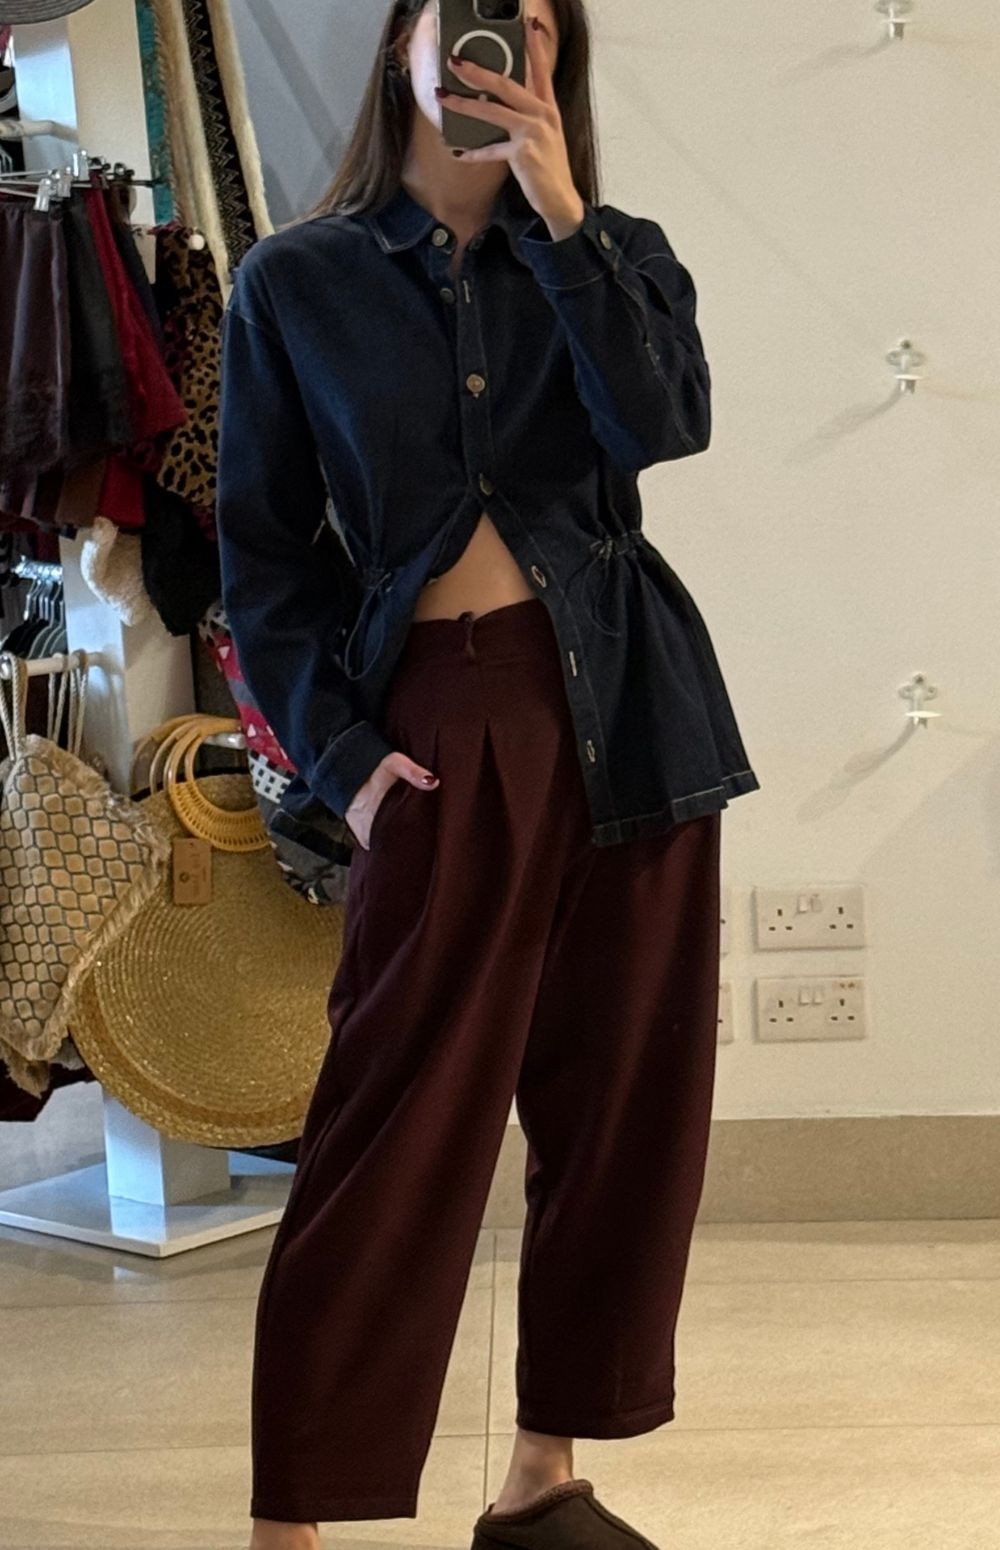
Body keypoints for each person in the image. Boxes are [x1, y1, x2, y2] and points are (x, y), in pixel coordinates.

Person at [215, 3, 760, 1546]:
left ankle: (543, 1474)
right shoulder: (295, 281)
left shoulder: (616, 249)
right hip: (441, 732)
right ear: (405, 40)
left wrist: (565, 218)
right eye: (467, 13)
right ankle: (291, 1520)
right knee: (389, 1127)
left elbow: (662, 424)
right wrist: (347, 763)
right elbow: (265, 563)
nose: (495, 43)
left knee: (622, 1112)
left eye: (529, 21)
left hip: (636, 715)